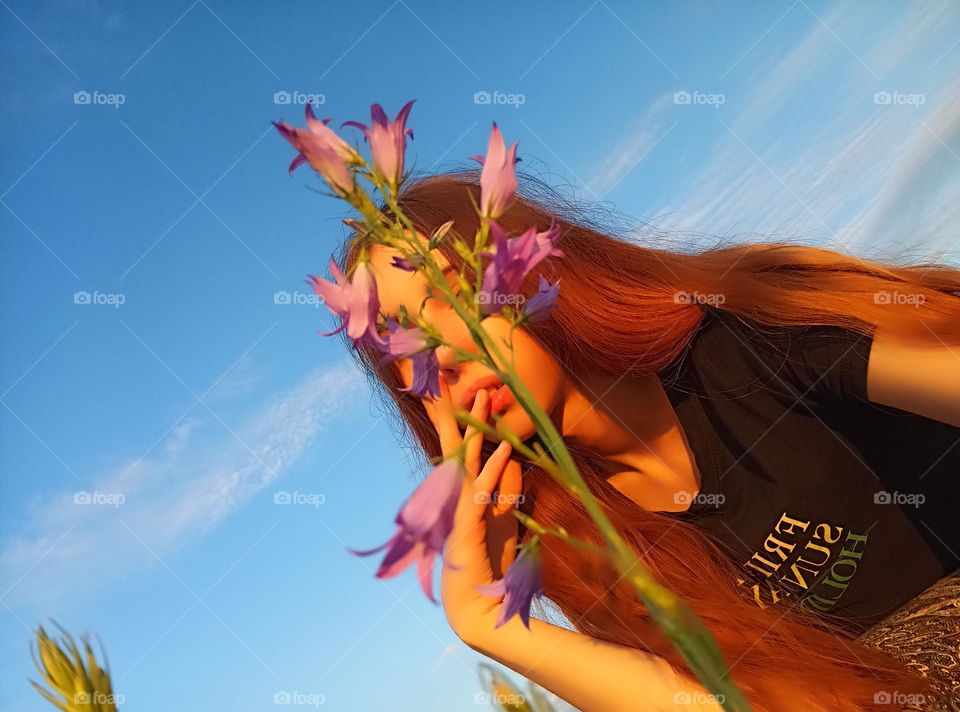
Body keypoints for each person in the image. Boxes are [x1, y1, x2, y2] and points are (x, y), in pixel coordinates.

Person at [337, 170, 960, 712]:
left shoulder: (748, 334)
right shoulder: (574, 538)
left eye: (454, 290)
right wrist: (492, 624)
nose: (440, 353)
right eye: (400, 342)